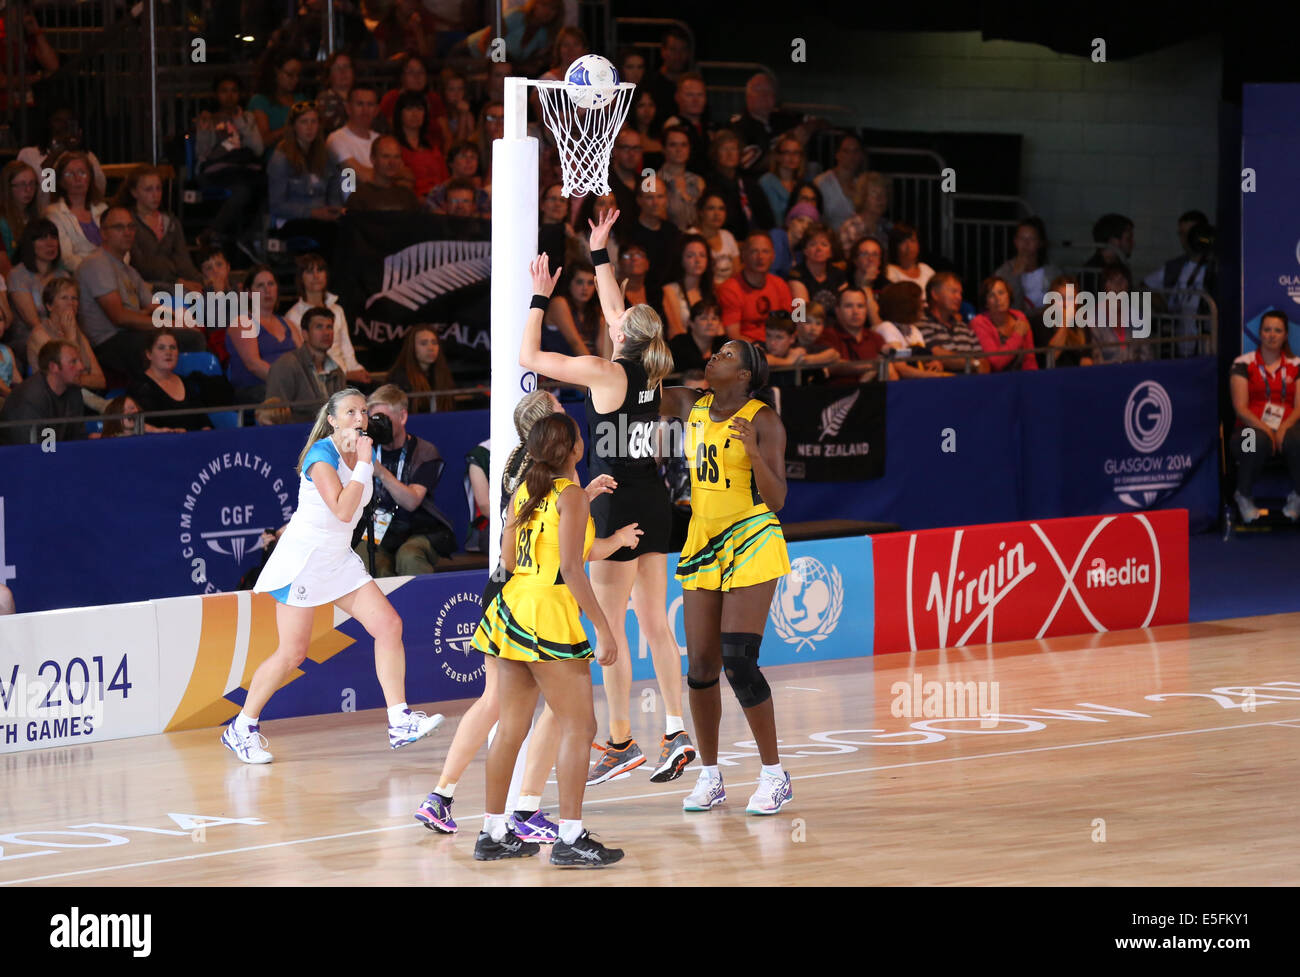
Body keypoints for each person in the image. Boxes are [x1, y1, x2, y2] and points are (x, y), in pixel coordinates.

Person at [519, 229, 698, 788]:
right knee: (656, 626)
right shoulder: (651, 370)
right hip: (656, 501)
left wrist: (537, 299)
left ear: (623, 334)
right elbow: (616, 305)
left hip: (617, 505)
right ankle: (674, 732)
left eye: (616, 316)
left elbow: (529, 356)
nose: (609, 314)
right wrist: (599, 254)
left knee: (610, 631)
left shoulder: (606, 370)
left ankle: (620, 740)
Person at [416, 390, 634, 842]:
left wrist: (585, 506)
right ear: (559, 439)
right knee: (560, 715)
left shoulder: (531, 473)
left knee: (509, 713)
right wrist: (603, 625)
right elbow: (568, 561)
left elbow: (518, 550)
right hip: (542, 604)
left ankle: (488, 821)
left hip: (509, 595)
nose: (567, 412)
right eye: (559, 411)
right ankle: (531, 813)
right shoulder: (556, 486)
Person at [226, 388, 444, 763]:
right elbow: (343, 511)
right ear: (332, 420)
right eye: (349, 412)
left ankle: (399, 720)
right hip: (305, 561)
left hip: (337, 558)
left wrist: (363, 461)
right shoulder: (321, 454)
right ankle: (241, 727)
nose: (359, 418)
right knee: (292, 653)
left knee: (389, 625)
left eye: (362, 411)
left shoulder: (362, 453)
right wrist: (363, 463)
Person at [468, 411, 627, 866]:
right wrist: (603, 626)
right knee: (581, 727)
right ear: (574, 450)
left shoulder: (526, 490)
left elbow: (508, 559)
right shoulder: (569, 495)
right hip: (548, 613)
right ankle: (571, 839)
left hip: (511, 606)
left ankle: (492, 831)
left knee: (511, 727)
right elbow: (575, 569)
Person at [660, 340, 794, 814]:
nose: (715, 356)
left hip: (751, 535)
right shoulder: (689, 403)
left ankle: (775, 776)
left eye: (727, 355)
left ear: (743, 375)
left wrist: (754, 453)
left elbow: (777, 499)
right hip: (703, 538)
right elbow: (638, 391)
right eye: (716, 352)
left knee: (738, 660)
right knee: (699, 667)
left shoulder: (764, 419)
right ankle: (711, 777)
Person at [352, 384, 458, 576]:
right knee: (367, 558)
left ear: (402, 416)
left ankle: (423, 605)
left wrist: (380, 472)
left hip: (418, 528)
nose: (378, 425)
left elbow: (412, 501)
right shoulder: (365, 449)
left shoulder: (425, 451)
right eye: (373, 420)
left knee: (409, 556)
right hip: (378, 529)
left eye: (383, 419)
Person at [76, 207, 170, 384]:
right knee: (173, 340)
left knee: (188, 335)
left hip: (130, 335)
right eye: (119, 227)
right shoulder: (97, 263)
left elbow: (153, 307)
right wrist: (169, 325)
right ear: (103, 233)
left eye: (131, 227)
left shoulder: (130, 271)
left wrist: (181, 320)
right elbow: (119, 317)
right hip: (108, 343)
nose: (127, 233)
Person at [1228, 309, 1300, 523]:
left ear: (1286, 335)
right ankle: (1244, 494)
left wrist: (1284, 428)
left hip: (1288, 426)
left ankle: (1297, 496)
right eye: (1267, 330)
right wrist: (1267, 430)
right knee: (1255, 441)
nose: (1272, 335)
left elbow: (1299, 408)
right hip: (1249, 429)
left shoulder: (1296, 365)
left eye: (1277, 331)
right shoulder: (1243, 363)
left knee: (1297, 439)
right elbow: (1240, 408)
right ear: (1260, 333)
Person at [192, 74, 266, 248]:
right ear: (216, 95)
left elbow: (258, 148)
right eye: (224, 91)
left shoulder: (247, 117)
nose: (229, 96)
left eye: (234, 91)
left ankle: (248, 236)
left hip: (243, 168)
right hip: (217, 170)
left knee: (264, 184)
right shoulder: (209, 118)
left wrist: (240, 122)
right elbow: (202, 153)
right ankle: (215, 232)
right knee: (242, 190)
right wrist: (203, 131)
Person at [284, 253, 370, 386]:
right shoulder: (293, 315)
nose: (316, 276)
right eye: (309, 271)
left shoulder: (337, 310)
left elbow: (346, 348)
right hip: (318, 380)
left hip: (346, 375)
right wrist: (347, 374)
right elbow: (306, 359)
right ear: (301, 278)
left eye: (320, 270)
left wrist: (357, 369)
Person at [117, 165, 203, 292]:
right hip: (146, 284)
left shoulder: (171, 222)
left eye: (158, 189)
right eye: (148, 190)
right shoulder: (129, 223)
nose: (155, 195)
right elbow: (141, 265)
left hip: (176, 282)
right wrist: (178, 282)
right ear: (134, 192)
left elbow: (183, 260)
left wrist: (199, 281)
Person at [267, 102, 344, 239]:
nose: (310, 127)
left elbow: (336, 182)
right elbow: (276, 205)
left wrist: (335, 208)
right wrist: (313, 213)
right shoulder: (281, 158)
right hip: (291, 221)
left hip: (322, 219)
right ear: (294, 126)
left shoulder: (325, 153)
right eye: (304, 122)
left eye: (314, 122)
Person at [6, 219, 72, 376]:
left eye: (53, 237)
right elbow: (33, 322)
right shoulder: (18, 274)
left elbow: (70, 315)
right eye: (42, 238)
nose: (50, 243)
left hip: (62, 334)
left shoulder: (63, 276)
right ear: (30, 244)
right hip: (28, 338)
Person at [227, 264, 300, 404]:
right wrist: (286, 383)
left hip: (290, 387)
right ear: (249, 292)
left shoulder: (288, 323)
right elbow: (253, 364)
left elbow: (304, 358)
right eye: (260, 285)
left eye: (271, 284)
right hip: (257, 389)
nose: (267, 290)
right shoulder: (243, 322)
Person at [22, 277, 105, 393]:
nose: (71, 303)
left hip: (83, 395)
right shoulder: (40, 334)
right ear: (49, 306)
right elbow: (67, 377)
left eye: (74, 298)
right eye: (64, 298)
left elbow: (101, 381)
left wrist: (80, 380)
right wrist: (70, 337)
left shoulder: (78, 332)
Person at [266, 305, 346, 422]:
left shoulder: (337, 371)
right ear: (304, 334)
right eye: (319, 327)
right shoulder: (286, 365)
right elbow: (274, 415)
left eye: (329, 327)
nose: (326, 333)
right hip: (296, 435)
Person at [731, 72, 819, 178]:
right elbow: (747, 163)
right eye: (758, 91)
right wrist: (785, 148)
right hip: (758, 182)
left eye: (769, 91)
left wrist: (808, 128)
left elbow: (822, 121)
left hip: (793, 179)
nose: (764, 95)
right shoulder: (738, 126)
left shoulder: (784, 116)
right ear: (748, 97)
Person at [0, 340, 86, 445]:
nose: (81, 367)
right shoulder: (29, 399)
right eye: (73, 362)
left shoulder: (73, 391)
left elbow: (78, 437)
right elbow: (31, 451)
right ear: (53, 367)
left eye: (79, 361)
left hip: (55, 455)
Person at [128, 332, 214, 431]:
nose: (168, 352)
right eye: (161, 348)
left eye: (173, 347)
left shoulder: (186, 382)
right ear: (149, 354)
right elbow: (141, 427)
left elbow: (203, 419)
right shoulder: (139, 387)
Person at [718, 232, 792, 344]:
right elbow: (733, 336)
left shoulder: (780, 284)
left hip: (778, 346)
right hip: (747, 351)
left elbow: (791, 323)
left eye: (765, 251)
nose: (760, 257)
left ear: (773, 256)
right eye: (754, 251)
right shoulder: (730, 289)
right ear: (743, 255)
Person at [44, 151, 107, 274]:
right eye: (69, 174)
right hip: (79, 276)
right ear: (61, 182)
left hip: (113, 272)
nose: (77, 179)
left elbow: (121, 247)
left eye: (82, 173)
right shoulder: (54, 213)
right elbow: (67, 258)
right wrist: (97, 272)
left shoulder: (103, 208)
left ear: (90, 177)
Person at [705, 129, 773, 241]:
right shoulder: (709, 184)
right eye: (724, 149)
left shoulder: (750, 184)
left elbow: (767, 219)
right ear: (715, 154)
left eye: (733, 149)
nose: (729, 154)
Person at [874, 282, 950, 379]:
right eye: (921, 301)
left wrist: (935, 364)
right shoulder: (887, 327)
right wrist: (935, 375)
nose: (925, 305)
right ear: (907, 305)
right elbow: (901, 369)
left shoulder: (915, 330)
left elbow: (924, 361)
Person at [992, 217, 1061, 318]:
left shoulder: (1052, 273)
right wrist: (1015, 275)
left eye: (1032, 238)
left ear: (1040, 243)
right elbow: (1007, 306)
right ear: (1015, 241)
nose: (1026, 244)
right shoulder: (1003, 272)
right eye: (1022, 238)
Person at [825, 286, 895, 383]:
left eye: (860, 306)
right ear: (837, 310)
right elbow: (831, 366)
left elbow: (890, 373)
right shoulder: (827, 335)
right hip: (838, 395)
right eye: (848, 306)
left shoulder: (876, 337)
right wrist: (873, 366)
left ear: (866, 309)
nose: (855, 312)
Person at [919, 272, 986, 373]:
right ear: (935, 294)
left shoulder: (964, 327)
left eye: (960, 293)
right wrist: (973, 363)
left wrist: (978, 365)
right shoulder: (922, 325)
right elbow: (938, 355)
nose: (959, 297)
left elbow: (984, 362)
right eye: (954, 292)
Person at [620, 182, 680, 290]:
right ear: (639, 200)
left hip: (668, 293)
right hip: (635, 291)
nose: (655, 202)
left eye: (660, 196)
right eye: (649, 197)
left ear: (667, 199)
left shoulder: (673, 232)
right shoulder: (627, 231)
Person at [971, 275, 1037, 372]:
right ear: (986, 303)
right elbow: (996, 362)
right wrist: (1018, 335)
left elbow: (1030, 360)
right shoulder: (978, 323)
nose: (998, 298)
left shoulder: (1020, 317)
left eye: (1001, 293)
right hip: (994, 381)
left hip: (1023, 379)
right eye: (991, 295)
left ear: (1008, 296)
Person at [392, 90, 449, 199]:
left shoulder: (433, 148)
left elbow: (444, 180)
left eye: (420, 109)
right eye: (409, 109)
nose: (415, 114)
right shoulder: (393, 147)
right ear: (400, 113)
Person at [325, 86, 382, 193]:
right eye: (360, 104)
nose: (365, 110)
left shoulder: (381, 139)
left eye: (370, 104)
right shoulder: (336, 139)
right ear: (348, 108)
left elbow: (407, 175)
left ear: (376, 110)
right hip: (352, 205)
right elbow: (364, 177)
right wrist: (390, 175)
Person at [388, 324, 455, 413]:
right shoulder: (399, 378)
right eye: (424, 343)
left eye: (434, 342)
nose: (431, 348)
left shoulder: (442, 373)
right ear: (412, 348)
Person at [544, 260, 604, 357]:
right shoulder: (559, 303)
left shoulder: (597, 310)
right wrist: (596, 370)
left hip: (588, 366)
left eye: (590, 283)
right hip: (560, 367)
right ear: (569, 283)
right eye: (579, 282)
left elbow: (602, 349)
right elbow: (574, 342)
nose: (585, 288)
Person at [640, 26, 694, 133]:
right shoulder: (650, 83)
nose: (678, 56)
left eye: (683, 50)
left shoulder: (692, 84)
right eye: (673, 50)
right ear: (663, 51)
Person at [249, 52, 306, 152]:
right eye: (290, 75)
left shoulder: (300, 99)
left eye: (298, 75)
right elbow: (264, 141)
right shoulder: (260, 101)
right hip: (275, 159)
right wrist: (292, 128)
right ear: (276, 72)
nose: (295, 80)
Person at [662, 234, 716, 339]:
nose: (697, 260)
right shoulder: (670, 290)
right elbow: (675, 332)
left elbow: (718, 328)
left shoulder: (710, 290)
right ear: (681, 260)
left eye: (702, 255)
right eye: (690, 256)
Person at [348, 136, 421, 212]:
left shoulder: (407, 195)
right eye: (385, 156)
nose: (392, 163)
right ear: (373, 159)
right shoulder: (359, 196)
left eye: (396, 157)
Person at [787, 222, 847, 313]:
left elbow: (846, 307)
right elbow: (800, 314)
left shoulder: (838, 274)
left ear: (831, 252)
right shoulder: (796, 275)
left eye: (824, 244)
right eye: (812, 244)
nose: (819, 249)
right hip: (808, 325)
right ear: (805, 250)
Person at [1036, 275, 1094, 368]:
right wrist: (1065, 323)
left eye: (1071, 298)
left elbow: (1087, 357)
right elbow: (1050, 358)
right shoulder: (1041, 322)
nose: (1066, 304)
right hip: (1052, 377)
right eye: (1061, 298)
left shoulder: (1081, 323)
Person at [661, 74, 713, 177]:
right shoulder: (673, 125)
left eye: (700, 95)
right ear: (677, 97)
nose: (695, 100)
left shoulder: (710, 126)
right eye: (689, 95)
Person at [657, 125, 705, 233]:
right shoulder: (654, 181)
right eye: (673, 145)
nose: (679, 150)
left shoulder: (698, 181)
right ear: (663, 149)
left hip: (697, 241)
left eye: (684, 145)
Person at [814, 133, 866, 231]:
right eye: (846, 151)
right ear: (837, 154)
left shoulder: (862, 183)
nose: (851, 156)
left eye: (856, 151)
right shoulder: (822, 183)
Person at [757, 135, 808, 228]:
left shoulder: (803, 184)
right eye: (786, 152)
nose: (792, 157)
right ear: (777, 156)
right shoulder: (766, 182)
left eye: (796, 153)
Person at [425, 142, 489, 216]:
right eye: (463, 156)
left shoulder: (482, 195)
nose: (469, 161)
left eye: (473, 157)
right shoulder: (437, 193)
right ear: (451, 162)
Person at [838, 171, 893, 256]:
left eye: (883, 194)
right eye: (873, 193)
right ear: (863, 197)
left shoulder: (887, 227)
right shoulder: (850, 228)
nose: (880, 198)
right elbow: (849, 264)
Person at [0, 161, 40, 273]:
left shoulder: (37, 217)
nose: (28, 190)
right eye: (22, 184)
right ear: (7, 187)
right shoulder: (2, 222)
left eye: (32, 184)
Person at [669, 299, 726, 373]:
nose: (710, 323)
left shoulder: (723, 344)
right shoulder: (679, 344)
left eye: (714, 319)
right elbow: (695, 367)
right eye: (704, 318)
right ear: (691, 323)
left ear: (720, 323)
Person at [693, 192, 739, 285]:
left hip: (729, 290)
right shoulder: (692, 237)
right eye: (711, 208)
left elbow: (736, 272)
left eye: (721, 209)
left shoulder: (727, 236)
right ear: (701, 212)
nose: (717, 213)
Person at [1083, 212, 1134, 284]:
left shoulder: (1120, 266)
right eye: (1128, 239)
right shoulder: (1091, 273)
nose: (1133, 243)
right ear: (1113, 241)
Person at [884, 222, 935, 293]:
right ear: (895, 246)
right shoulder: (889, 271)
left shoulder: (926, 270)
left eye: (912, 241)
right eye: (903, 241)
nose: (909, 246)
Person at [313, 51, 355, 134]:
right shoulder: (324, 99)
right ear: (329, 75)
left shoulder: (360, 96)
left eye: (346, 66)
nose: (343, 72)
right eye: (337, 68)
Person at [629, 89, 664, 169]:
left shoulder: (662, 135)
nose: (647, 111)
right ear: (633, 107)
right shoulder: (625, 135)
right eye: (641, 105)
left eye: (651, 105)